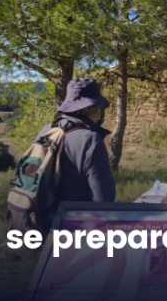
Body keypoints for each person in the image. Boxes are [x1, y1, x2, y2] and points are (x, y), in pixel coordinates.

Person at [34, 79, 116, 218]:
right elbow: (103, 199)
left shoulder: (46, 130)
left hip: (38, 218)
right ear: (94, 108)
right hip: (72, 221)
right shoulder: (90, 139)